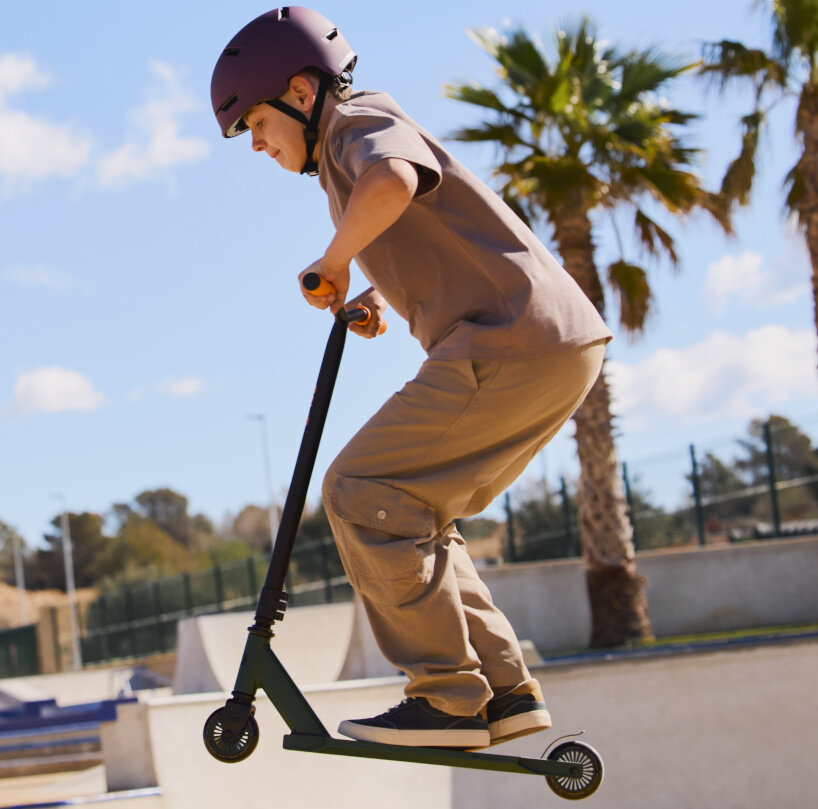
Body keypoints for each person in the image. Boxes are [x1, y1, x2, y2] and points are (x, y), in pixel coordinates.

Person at [211, 7, 612, 750]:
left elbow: (395, 179)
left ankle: (446, 697)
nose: (258, 146)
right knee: (409, 509)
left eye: (258, 126)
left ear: (302, 92)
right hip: (544, 344)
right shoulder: (341, 157)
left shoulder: (355, 123)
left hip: (512, 342)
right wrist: (371, 298)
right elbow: (420, 227)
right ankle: (501, 691)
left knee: (360, 492)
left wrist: (333, 262)